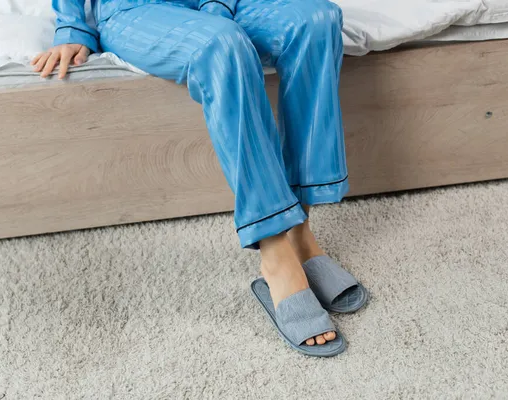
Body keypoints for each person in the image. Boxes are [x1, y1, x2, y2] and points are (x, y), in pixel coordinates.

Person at [33, 0, 368, 357]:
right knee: (222, 45)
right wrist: (72, 26)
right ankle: (275, 251)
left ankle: (300, 232)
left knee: (317, 20)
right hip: (140, 9)